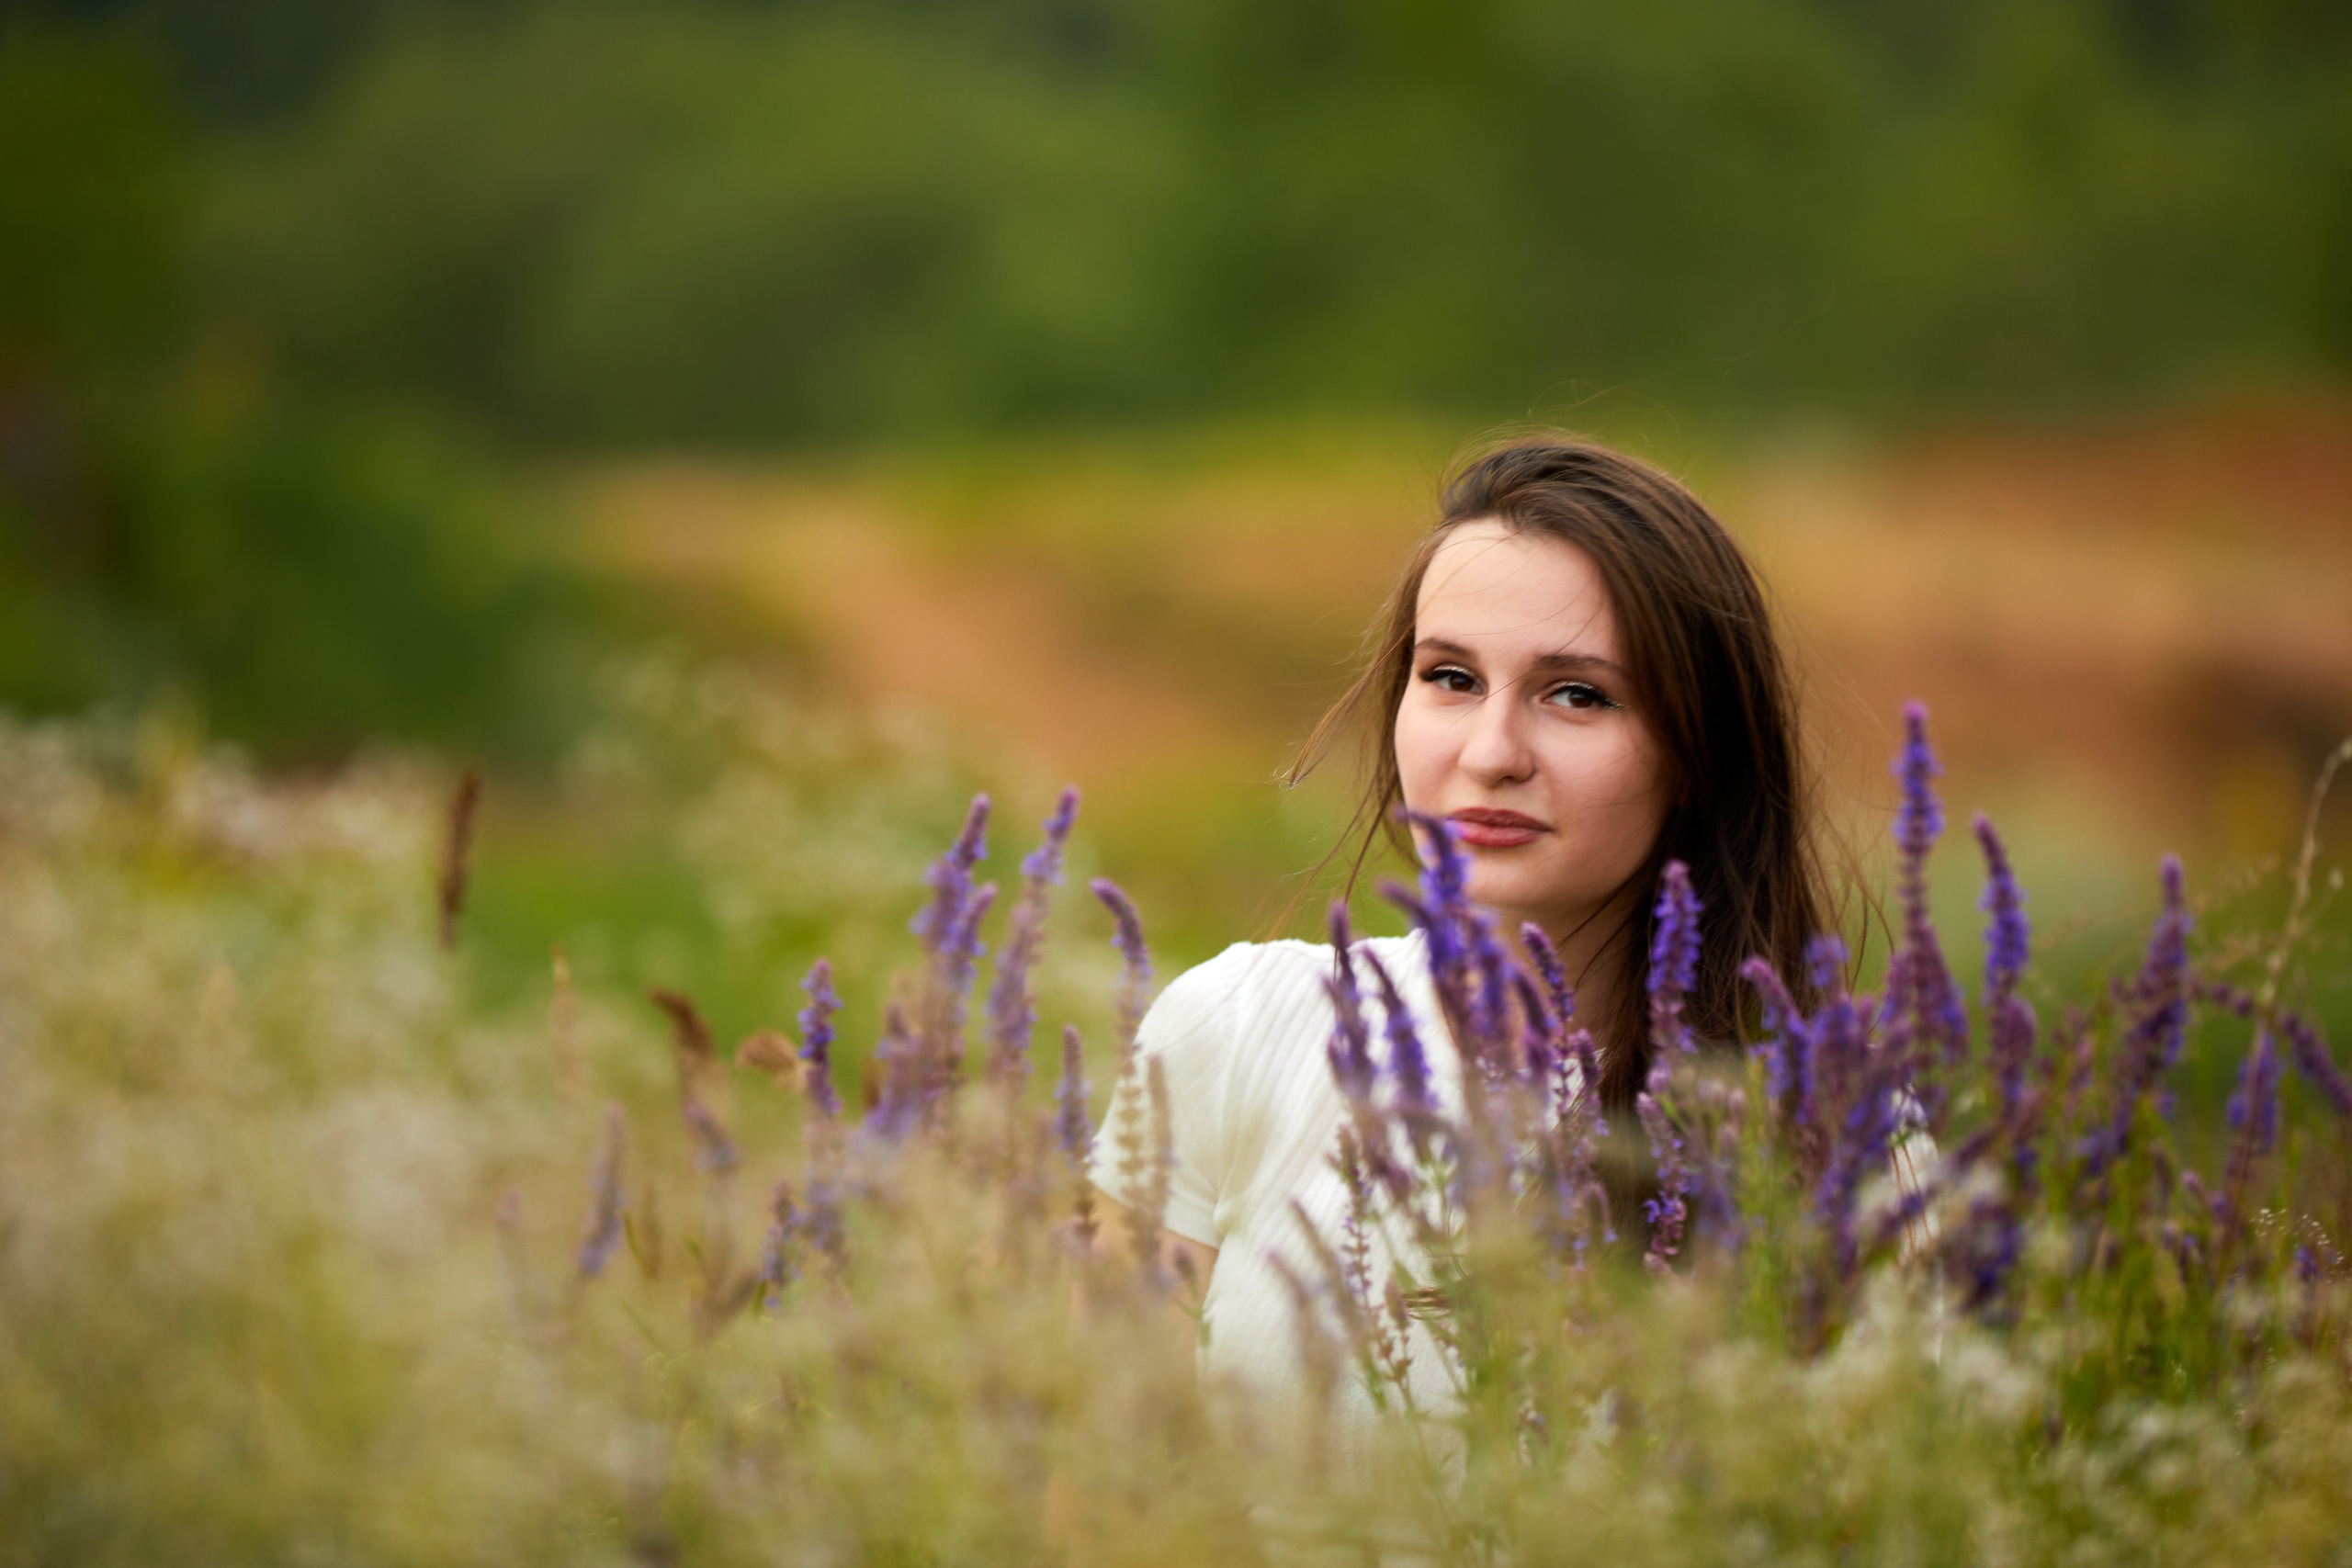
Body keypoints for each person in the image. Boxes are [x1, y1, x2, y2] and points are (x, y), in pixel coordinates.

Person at [1084, 434, 1853, 1496]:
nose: (1491, 750)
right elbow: (1086, 1503)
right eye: (1449, 677)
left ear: (1695, 753)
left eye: (1576, 695)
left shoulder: (1827, 1139)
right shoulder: (1234, 1030)